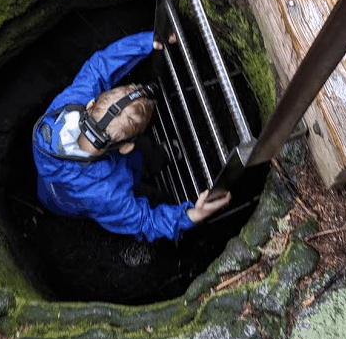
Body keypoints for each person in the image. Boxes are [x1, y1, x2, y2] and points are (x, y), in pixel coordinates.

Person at [32, 30, 231, 242]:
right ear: (126, 147)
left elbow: (99, 67)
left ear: (91, 104)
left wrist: (146, 42)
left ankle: (156, 158)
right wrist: (192, 216)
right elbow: (146, 223)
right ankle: (156, 160)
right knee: (136, 167)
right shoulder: (108, 196)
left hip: (51, 193)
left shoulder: (62, 112)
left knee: (134, 162)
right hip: (83, 197)